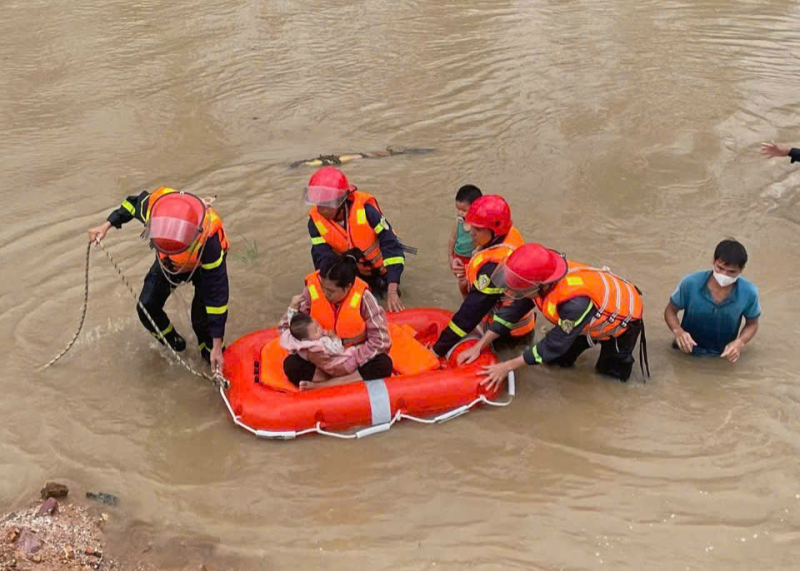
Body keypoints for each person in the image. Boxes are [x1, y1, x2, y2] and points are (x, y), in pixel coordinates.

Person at [87, 188, 229, 372]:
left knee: (202, 322)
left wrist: (217, 347)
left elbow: (217, 298)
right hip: (169, 264)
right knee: (146, 307)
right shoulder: (155, 207)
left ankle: (212, 360)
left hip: (200, 267)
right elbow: (131, 204)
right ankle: (176, 346)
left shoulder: (210, 242)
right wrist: (106, 226)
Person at [480, 244, 647, 389]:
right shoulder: (540, 282)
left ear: (539, 285)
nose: (511, 290)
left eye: (517, 286)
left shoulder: (574, 304)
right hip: (583, 319)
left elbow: (554, 345)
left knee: (609, 377)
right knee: (556, 362)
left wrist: (507, 366)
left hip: (622, 322)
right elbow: (512, 312)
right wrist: (480, 345)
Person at [431, 195, 535, 358]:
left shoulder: (494, 268)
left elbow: (470, 313)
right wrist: (467, 269)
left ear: (494, 231)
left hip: (509, 334)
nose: (471, 233)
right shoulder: (506, 235)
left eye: (478, 229)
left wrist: (437, 350)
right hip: (507, 316)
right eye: (471, 226)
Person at [282, 249, 393, 389]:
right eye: (323, 288)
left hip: (352, 357)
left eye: (331, 291)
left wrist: (352, 362)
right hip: (321, 359)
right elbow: (291, 329)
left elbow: (381, 341)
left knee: (383, 364)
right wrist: (311, 355)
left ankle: (325, 385)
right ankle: (332, 379)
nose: (325, 294)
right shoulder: (311, 292)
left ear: (347, 288)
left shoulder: (365, 298)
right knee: (291, 365)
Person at [304, 166, 409, 312]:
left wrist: (392, 288)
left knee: (394, 298)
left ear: (341, 200)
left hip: (384, 272)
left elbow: (391, 245)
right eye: (319, 203)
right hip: (353, 275)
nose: (322, 209)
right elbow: (322, 258)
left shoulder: (368, 212)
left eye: (328, 204)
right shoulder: (315, 223)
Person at [664, 239, 760, 362]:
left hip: (723, 356)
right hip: (684, 352)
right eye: (720, 268)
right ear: (713, 261)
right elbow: (670, 311)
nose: (724, 274)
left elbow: (752, 323)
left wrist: (740, 343)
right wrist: (678, 331)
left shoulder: (749, 292)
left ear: (742, 269)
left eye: (731, 272)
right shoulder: (690, 283)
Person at [278, 308, 357, 388]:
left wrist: (292, 308)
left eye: (318, 325)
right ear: (305, 339)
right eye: (316, 331)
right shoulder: (319, 345)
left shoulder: (296, 340)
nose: (320, 329)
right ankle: (325, 381)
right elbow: (338, 350)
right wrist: (334, 338)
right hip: (333, 366)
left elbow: (287, 323)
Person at [448, 184, 482, 297]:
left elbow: (483, 242)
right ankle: (465, 299)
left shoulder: (479, 225)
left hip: (473, 258)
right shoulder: (459, 221)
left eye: (464, 210)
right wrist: (450, 257)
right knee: (462, 282)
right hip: (460, 257)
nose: (460, 213)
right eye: (458, 209)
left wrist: (477, 249)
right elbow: (453, 238)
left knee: (475, 283)